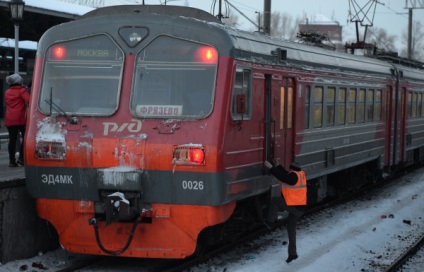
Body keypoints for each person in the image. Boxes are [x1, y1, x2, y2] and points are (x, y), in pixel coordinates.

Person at [264, 160, 307, 263]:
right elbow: (286, 173)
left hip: (295, 207)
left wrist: (271, 168)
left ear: (292, 169)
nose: (289, 170)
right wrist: (278, 165)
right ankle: (293, 254)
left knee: (275, 201)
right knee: (291, 229)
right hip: (300, 208)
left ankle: (270, 222)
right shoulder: (299, 175)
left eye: (290, 169)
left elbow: (283, 177)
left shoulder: (293, 177)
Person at [4, 74, 30, 167]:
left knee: (12, 140)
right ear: (19, 81)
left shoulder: (7, 91)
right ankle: (21, 158)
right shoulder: (22, 90)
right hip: (20, 118)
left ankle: (12, 161)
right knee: (26, 137)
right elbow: (29, 100)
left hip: (9, 118)